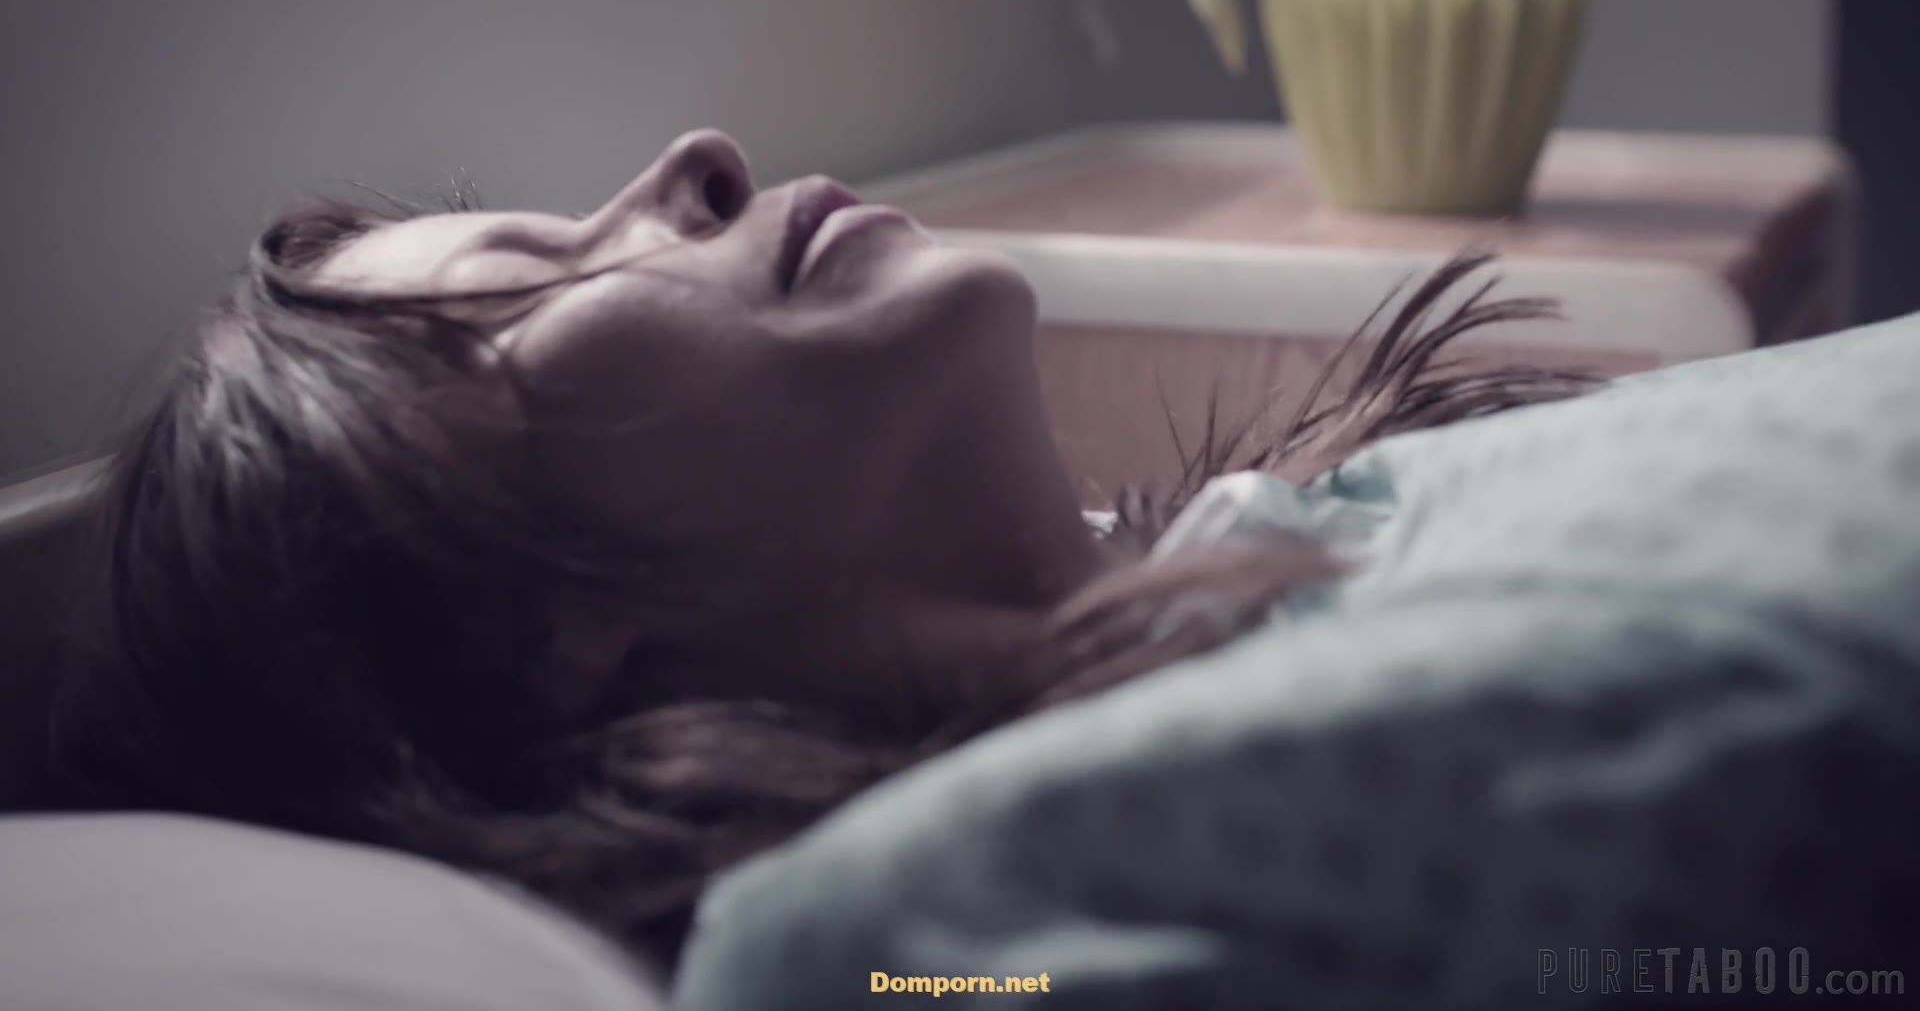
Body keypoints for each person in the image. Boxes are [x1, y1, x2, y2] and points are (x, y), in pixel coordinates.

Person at [49, 129, 1583, 965]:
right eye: (545, 271)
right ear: (521, 633)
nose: (699, 159)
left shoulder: (1343, 515)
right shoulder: (922, 946)